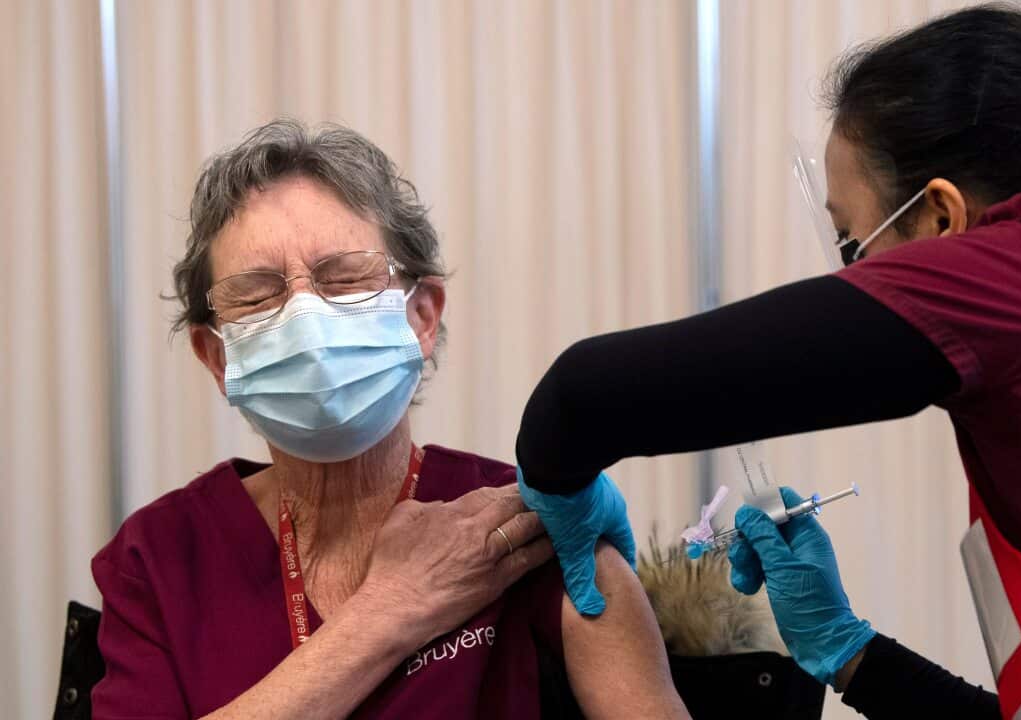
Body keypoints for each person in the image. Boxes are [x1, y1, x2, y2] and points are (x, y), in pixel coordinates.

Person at [514, 6, 1021, 720]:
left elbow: (584, 397)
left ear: (944, 218)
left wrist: (563, 483)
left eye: (852, 242)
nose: (851, 274)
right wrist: (849, 653)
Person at [91, 120, 688, 720]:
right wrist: (393, 608)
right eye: (258, 295)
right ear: (219, 356)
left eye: (345, 279)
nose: (305, 320)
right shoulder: (160, 561)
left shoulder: (534, 531)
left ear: (422, 318)